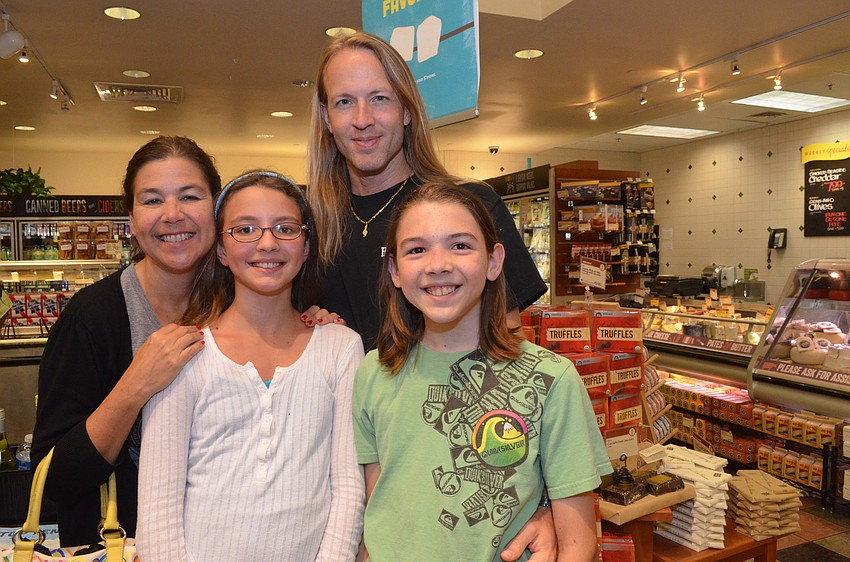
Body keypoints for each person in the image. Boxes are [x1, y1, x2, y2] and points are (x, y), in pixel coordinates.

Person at [352, 182, 612, 561]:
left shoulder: (551, 378)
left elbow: (578, 540)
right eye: (416, 249)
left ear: (493, 261)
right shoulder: (372, 372)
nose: (438, 264)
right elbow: (379, 506)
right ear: (394, 269)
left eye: (460, 245)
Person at [137, 171, 364, 561]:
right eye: (245, 229)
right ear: (222, 251)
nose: (268, 242)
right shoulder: (184, 350)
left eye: (286, 228)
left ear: (306, 246)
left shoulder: (341, 348)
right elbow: (159, 505)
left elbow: (346, 487)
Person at [306, 31, 547, 353]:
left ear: (406, 110)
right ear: (326, 118)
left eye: (379, 98)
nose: (362, 120)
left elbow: (508, 339)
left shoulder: (470, 206)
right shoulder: (310, 224)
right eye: (344, 102)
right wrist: (309, 326)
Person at [31, 136, 219, 545]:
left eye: (190, 196)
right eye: (152, 200)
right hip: (124, 545)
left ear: (217, 210)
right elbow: (56, 478)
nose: (173, 215)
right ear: (131, 220)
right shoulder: (91, 318)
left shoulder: (247, 304)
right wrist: (136, 385)